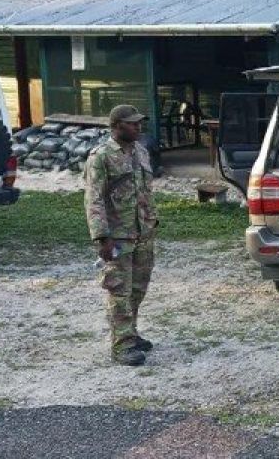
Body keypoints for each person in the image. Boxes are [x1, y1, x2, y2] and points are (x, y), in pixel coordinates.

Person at [84, 104, 158, 367]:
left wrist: (151, 224)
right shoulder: (101, 156)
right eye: (132, 123)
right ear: (116, 126)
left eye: (139, 122)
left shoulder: (140, 151)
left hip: (142, 233)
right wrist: (102, 237)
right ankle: (121, 346)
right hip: (117, 237)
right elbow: (94, 200)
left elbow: (145, 193)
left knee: (137, 288)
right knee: (119, 290)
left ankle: (131, 333)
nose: (138, 126)